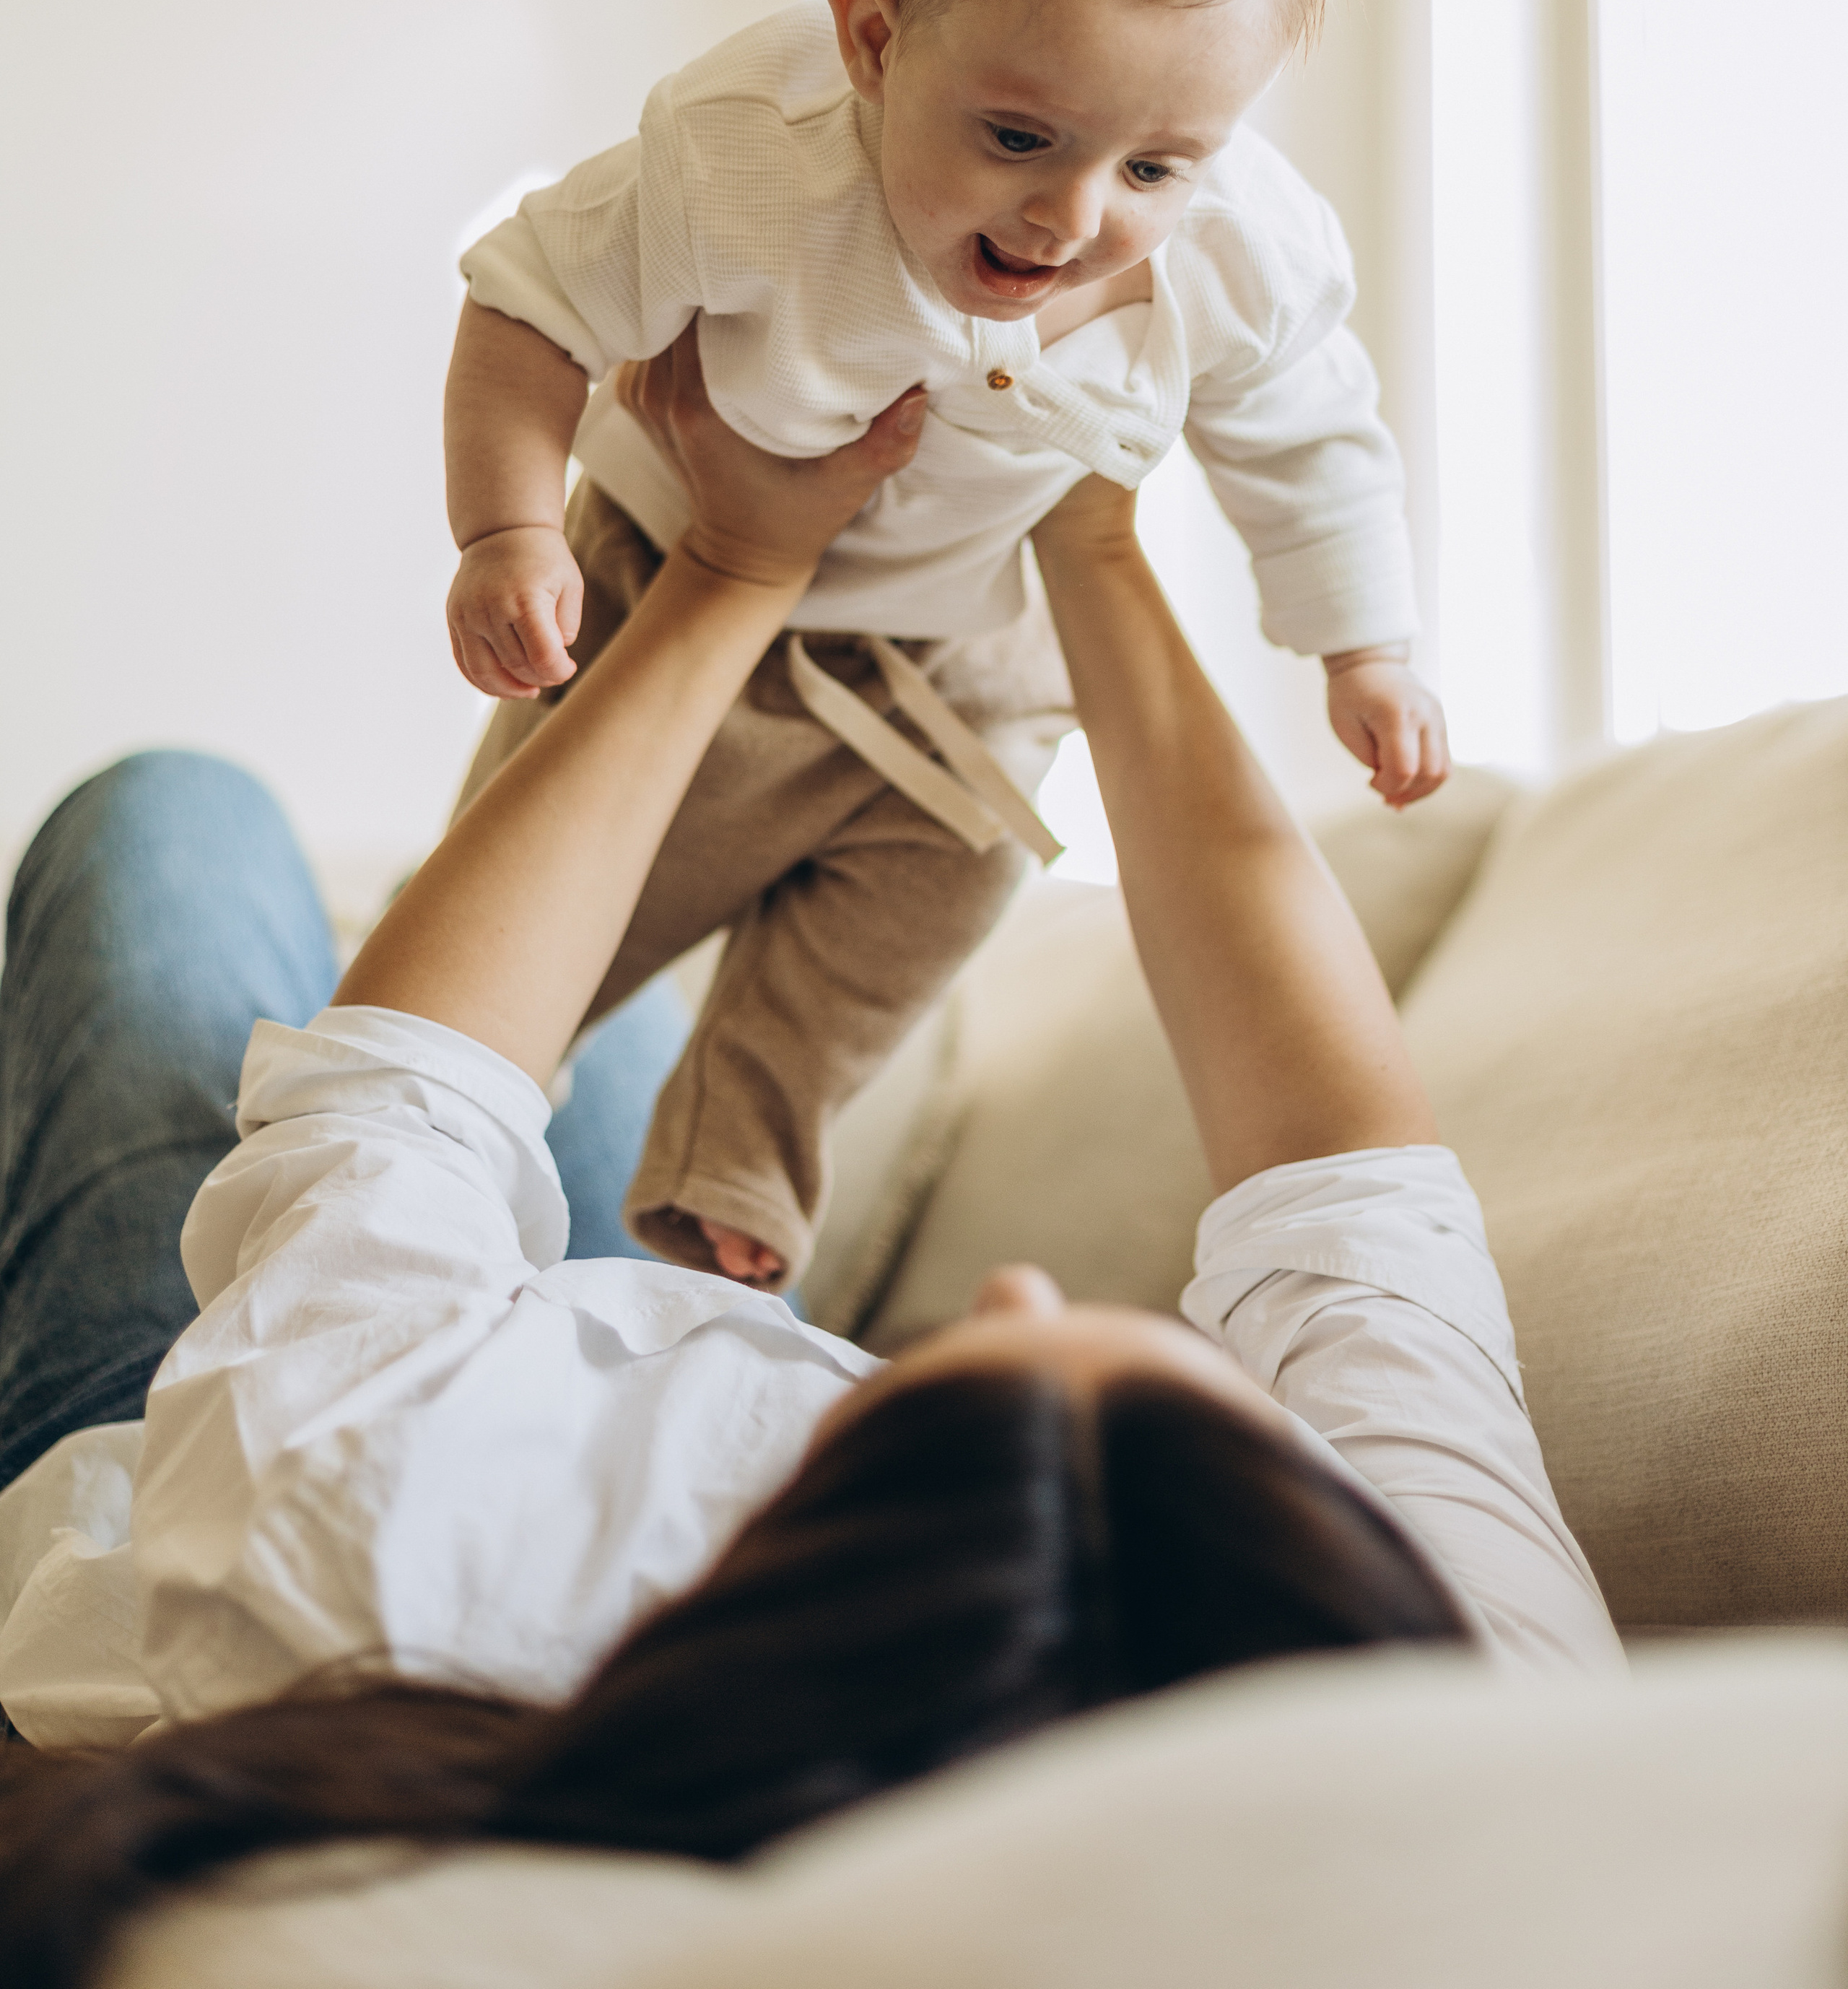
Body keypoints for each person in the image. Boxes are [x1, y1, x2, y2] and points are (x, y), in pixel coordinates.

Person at [0, 330, 1612, 1989]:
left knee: (170, 821)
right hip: (557, 1368)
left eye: (956, 1378)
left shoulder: (362, 1544)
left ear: (793, 1545)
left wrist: (732, 561)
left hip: (167, 1462)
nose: (1011, 1283)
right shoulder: (1472, 1699)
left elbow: (392, 1101)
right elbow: (1350, 1197)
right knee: (622, 1030)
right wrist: (1091, 537)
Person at [444, 0, 1450, 1290]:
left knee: (947, 880)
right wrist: (502, 525)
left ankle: (735, 1173)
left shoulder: (1240, 251)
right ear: (871, 34)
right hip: (666, 579)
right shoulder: (742, 155)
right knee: (548, 930)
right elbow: (526, 306)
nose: (1069, 219)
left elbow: (1307, 431)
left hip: (959, 648)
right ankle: (451, 1130)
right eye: (1014, 138)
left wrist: (1363, 642)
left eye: (1152, 166)